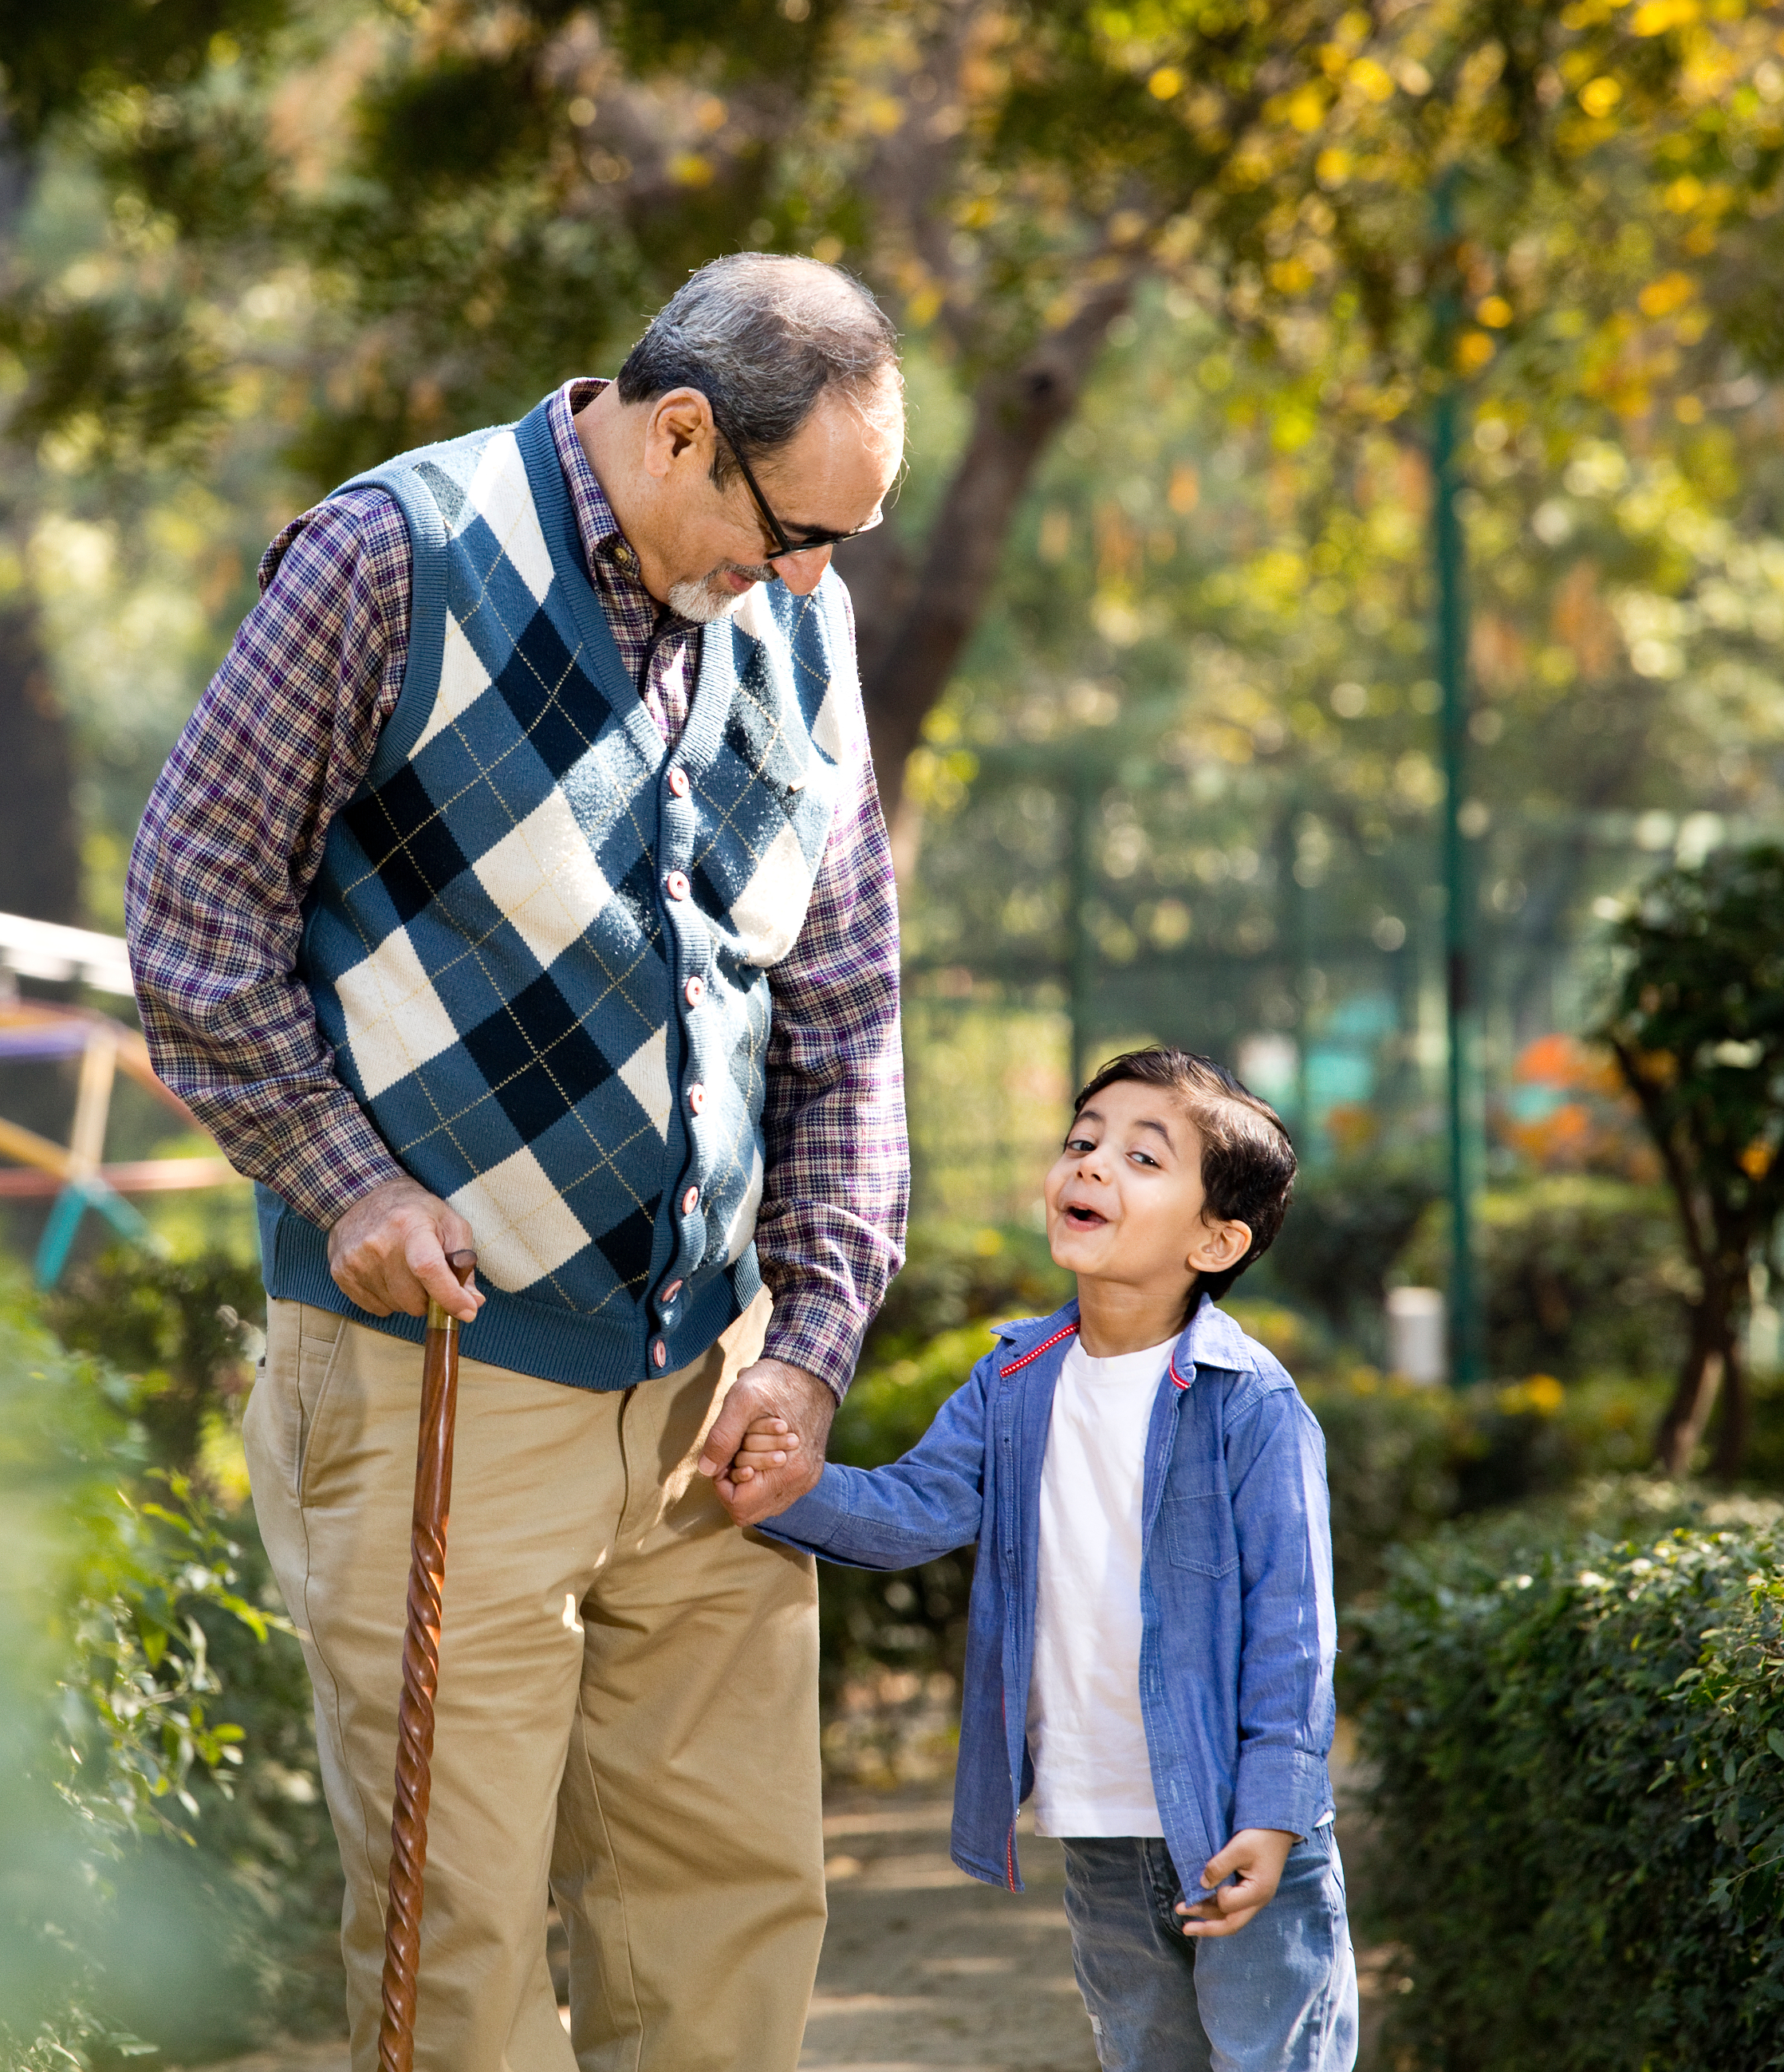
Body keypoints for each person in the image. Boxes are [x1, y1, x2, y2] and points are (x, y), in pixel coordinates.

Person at [124, 254, 912, 2072]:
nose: (811, 581)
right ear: (683, 433)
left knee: (728, 1937)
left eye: (848, 543)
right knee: (457, 1962)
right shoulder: (393, 561)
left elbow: (849, 1010)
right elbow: (193, 919)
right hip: (438, 1375)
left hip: (715, 1383)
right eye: (798, 530)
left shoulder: (803, 618)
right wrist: (348, 1180)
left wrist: (808, 1342)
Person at [724, 1047, 1356, 2072]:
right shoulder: (1013, 1380)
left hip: (1240, 1837)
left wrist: (1276, 1817)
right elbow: (917, 1507)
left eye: (1144, 1158)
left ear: (1216, 1238)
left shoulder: (1253, 1405)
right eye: (1082, 1141)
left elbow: (1294, 1630)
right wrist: (799, 1489)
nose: (1093, 1165)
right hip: (1098, 1822)